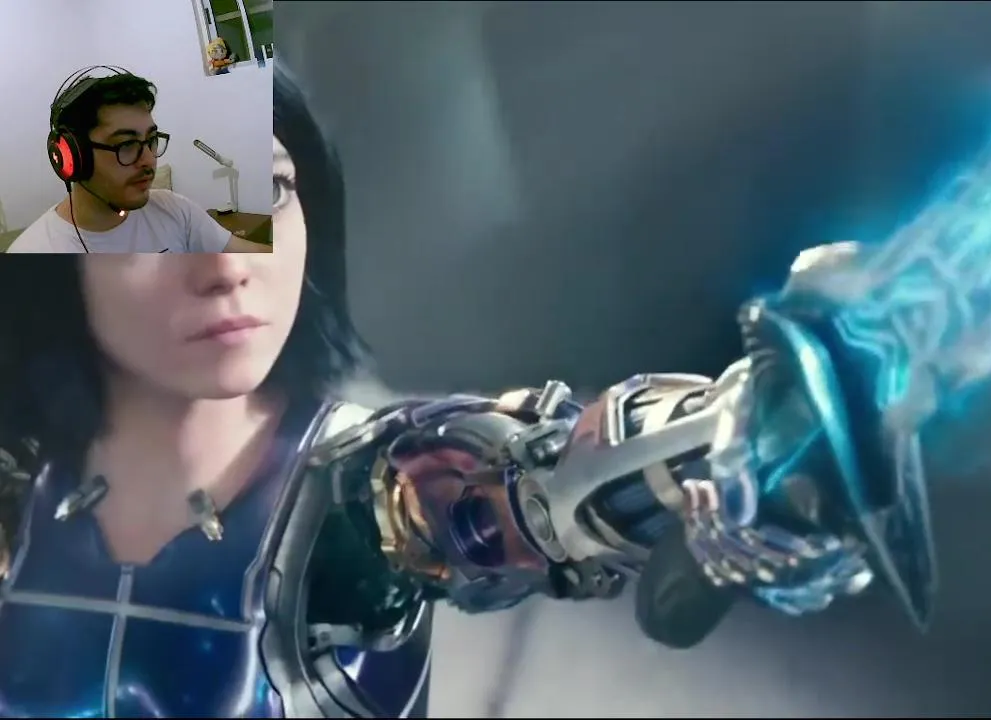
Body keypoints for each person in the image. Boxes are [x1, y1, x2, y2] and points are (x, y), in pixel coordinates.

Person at [0, 63, 869, 717]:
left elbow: (552, 478)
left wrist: (752, 435)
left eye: (266, 188)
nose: (229, 262)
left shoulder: (370, 489)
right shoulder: (19, 484)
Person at [6, 66, 269, 254]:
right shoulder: (34, 252)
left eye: (151, 140)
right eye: (126, 144)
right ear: (73, 156)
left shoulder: (175, 210)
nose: (148, 160)